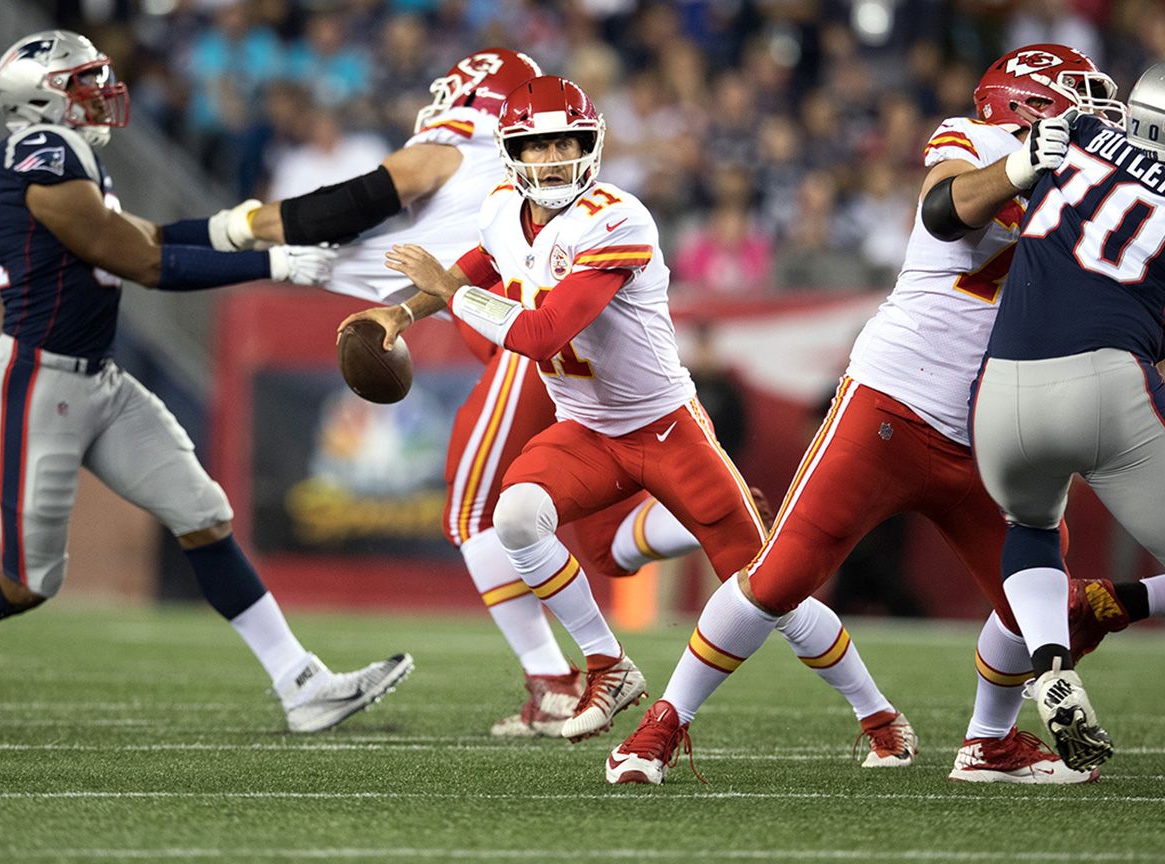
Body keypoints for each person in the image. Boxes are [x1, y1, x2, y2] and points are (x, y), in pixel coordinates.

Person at [221, 55, 914, 756]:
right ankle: (608, 666)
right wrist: (397, 318)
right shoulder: (500, 211)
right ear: (511, 153)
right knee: (516, 517)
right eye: (536, 145)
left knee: (774, 595)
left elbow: (546, 331)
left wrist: (448, 293)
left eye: (566, 143)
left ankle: (880, 718)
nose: (553, 160)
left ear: (591, 145)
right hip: (587, 430)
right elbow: (464, 275)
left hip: (665, 429)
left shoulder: (616, 219)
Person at [604, 44, 1158, 784]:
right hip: (896, 398)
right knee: (779, 576)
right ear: (1026, 105)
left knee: (1034, 607)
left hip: (995, 422)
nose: (1097, 117)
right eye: (1079, 99)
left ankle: (987, 743)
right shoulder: (982, 139)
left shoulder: (1107, 181)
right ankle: (660, 727)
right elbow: (943, 209)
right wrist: (1024, 165)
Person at [0, 30, 413, 732]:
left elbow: (148, 234)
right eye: (83, 83)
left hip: (98, 380)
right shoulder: (33, 156)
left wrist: (235, 229)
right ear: (42, 99)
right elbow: (139, 260)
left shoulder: (72, 158)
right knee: (28, 582)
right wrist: (273, 265)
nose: (102, 94)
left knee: (204, 514)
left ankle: (300, 682)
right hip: (37, 385)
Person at [972, 62, 1165, 772]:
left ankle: (1051, 659)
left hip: (998, 396)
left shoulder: (1075, 132)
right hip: (1107, 383)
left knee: (1031, 525)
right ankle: (1120, 602)